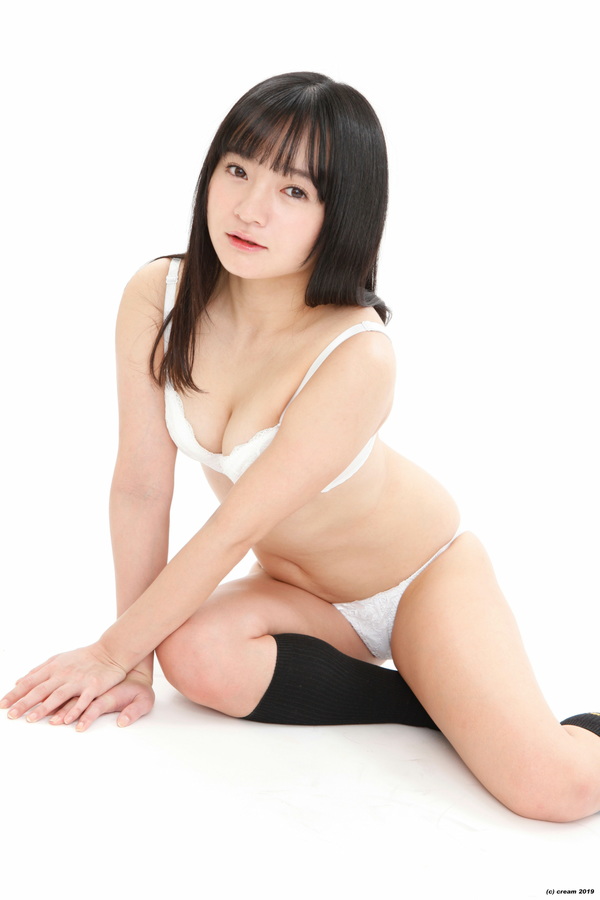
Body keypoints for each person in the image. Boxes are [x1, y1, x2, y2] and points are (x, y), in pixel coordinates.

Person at [2, 72, 599, 822]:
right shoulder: (158, 297)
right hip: (299, 592)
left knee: (556, 792)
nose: (250, 208)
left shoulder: (357, 354)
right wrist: (137, 666)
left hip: (419, 579)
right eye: (238, 169)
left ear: (339, 213)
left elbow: (232, 530)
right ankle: (432, 704)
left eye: (294, 191)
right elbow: (141, 487)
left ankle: (508, 715)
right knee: (196, 655)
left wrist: (110, 648)